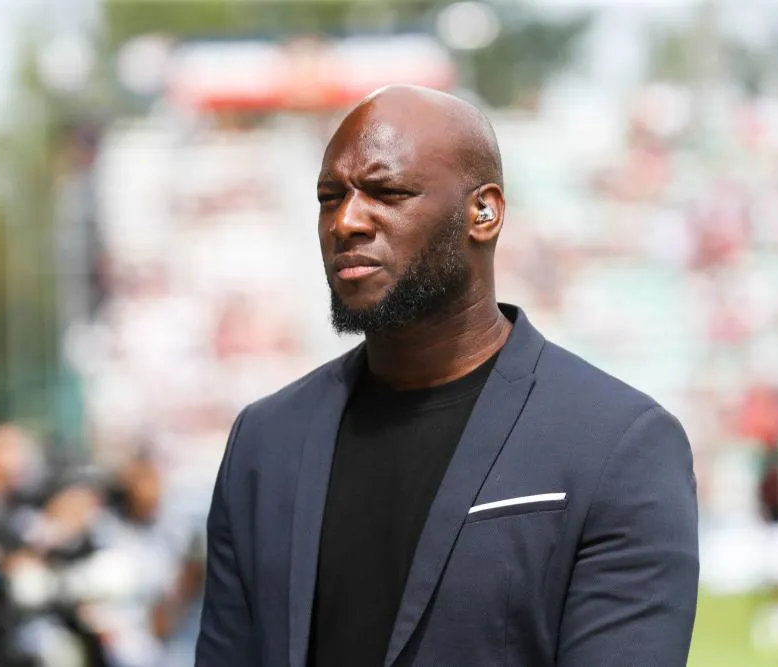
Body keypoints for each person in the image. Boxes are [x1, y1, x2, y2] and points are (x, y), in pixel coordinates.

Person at [195, 85, 699, 667]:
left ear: (483, 213)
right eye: (330, 198)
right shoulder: (264, 442)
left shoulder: (618, 443)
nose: (346, 221)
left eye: (387, 193)